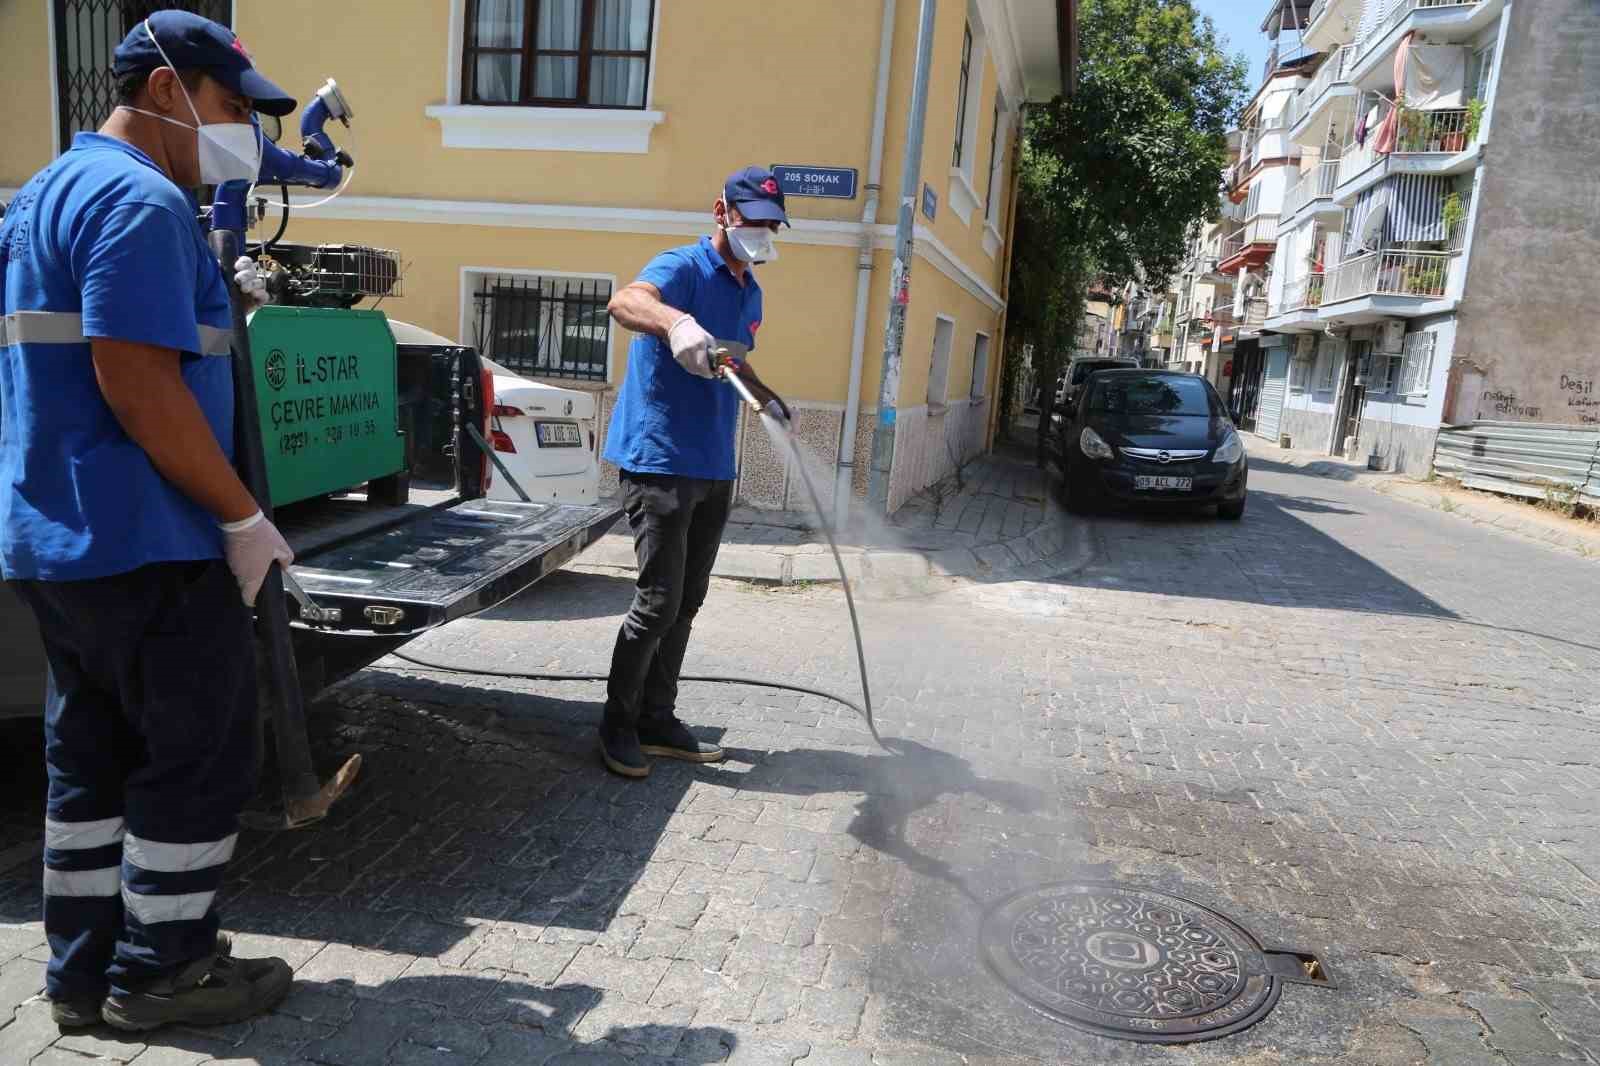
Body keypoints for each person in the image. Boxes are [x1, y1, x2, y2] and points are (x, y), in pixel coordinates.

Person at [0, 11, 301, 1032]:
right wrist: (241, 515)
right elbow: (135, 381)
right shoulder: (140, 201)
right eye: (229, 108)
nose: (241, 134)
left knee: (92, 756)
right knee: (199, 754)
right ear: (169, 91)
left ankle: (81, 973)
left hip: (61, 538)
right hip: (150, 537)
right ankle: (162, 970)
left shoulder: (44, 192)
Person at [598, 166, 791, 778]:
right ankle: (616, 726)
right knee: (657, 602)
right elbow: (626, 301)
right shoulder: (681, 267)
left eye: (771, 225)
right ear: (722, 212)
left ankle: (658, 718)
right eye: (752, 221)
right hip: (659, 459)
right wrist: (674, 322)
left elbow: (733, 360)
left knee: (688, 602)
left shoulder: (750, 291)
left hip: (713, 463)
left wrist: (766, 395)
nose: (761, 233)